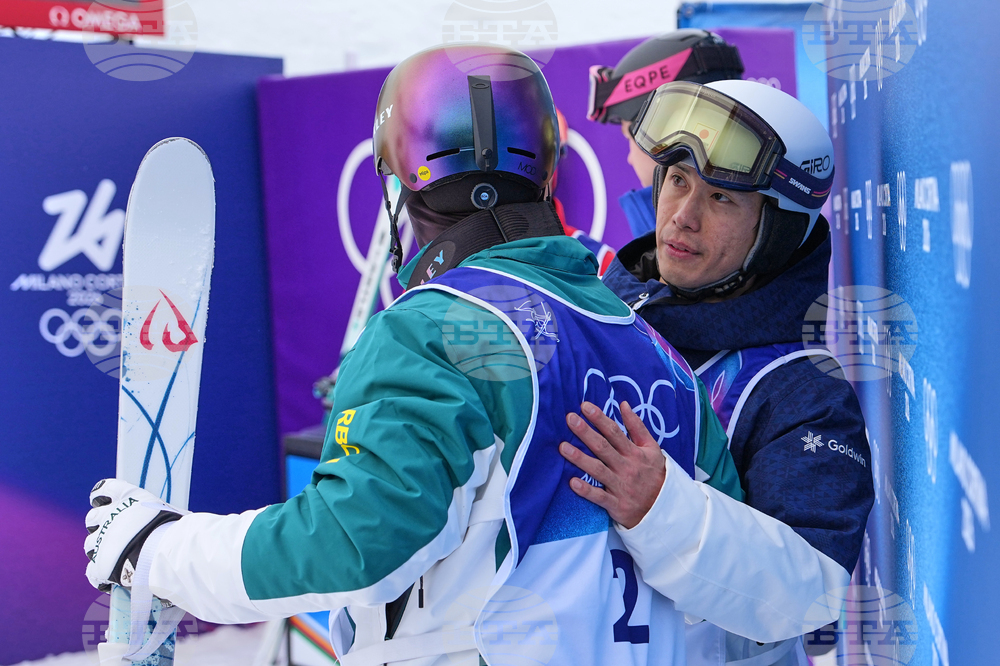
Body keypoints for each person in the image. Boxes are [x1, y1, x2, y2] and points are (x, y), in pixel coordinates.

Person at [84, 44, 745, 666]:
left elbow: (352, 545)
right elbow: (736, 587)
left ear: (404, 187)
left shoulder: (430, 330)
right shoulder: (660, 355)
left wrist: (157, 549)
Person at [562, 79, 875, 665]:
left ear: (778, 229)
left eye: (723, 198)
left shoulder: (802, 391)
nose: (683, 216)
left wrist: (661, 509)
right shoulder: (600, 316)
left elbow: (806, 595)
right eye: (677, 181)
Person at [587, 30, 744, 239]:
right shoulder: (762, 214)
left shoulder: (660, 248)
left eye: (627, 137)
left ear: (661, 130)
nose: (630, 158)